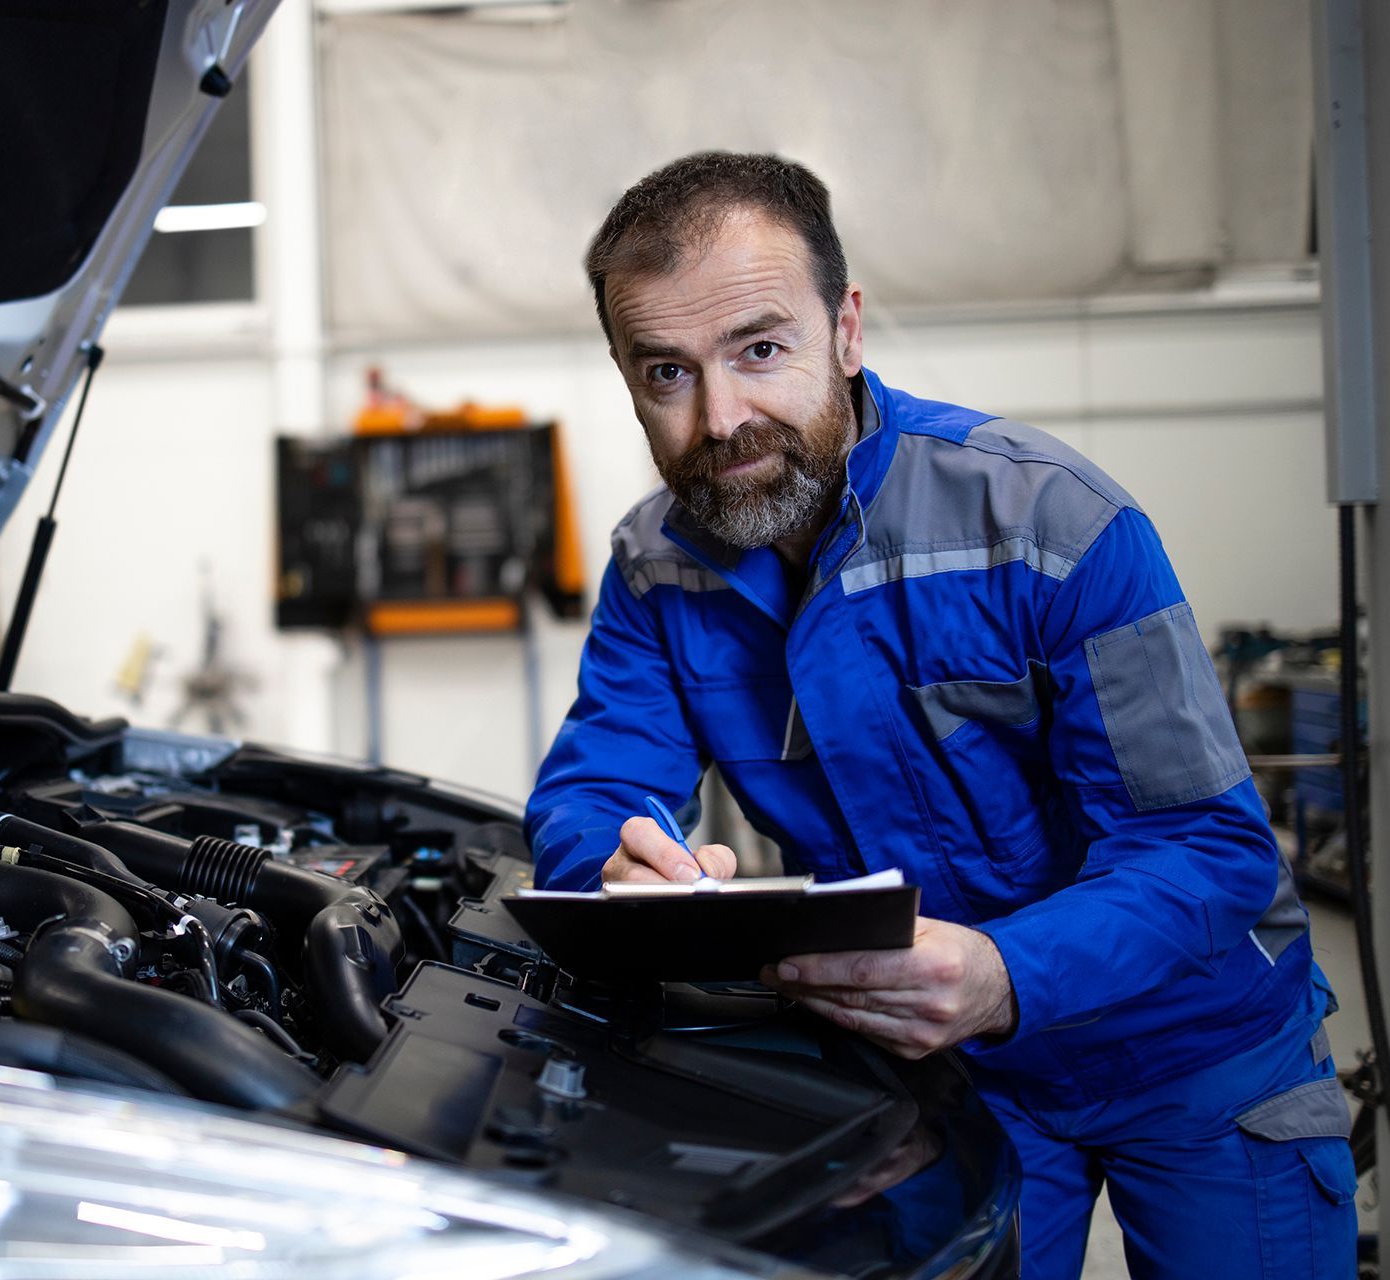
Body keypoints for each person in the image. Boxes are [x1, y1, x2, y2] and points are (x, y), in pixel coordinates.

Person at [524, 151, 1357, 1278]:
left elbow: (1207, 847)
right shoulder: (655, 569)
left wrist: (1006, 972)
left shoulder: (1053, 522)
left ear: (848, 329)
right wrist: (618, 870)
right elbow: (595, 791)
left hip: (1197, 1050)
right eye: (667, 373)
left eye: (761, 349)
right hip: (950, 1074)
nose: (722, 418)